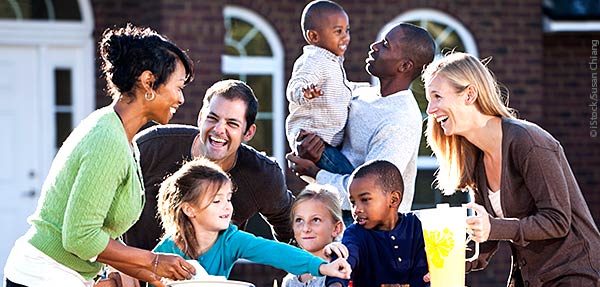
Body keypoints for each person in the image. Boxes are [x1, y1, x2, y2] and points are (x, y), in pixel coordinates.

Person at [3, 24, 196, 287]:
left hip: (59, 274)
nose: (181, 98)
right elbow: (80, 237)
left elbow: (97, 238)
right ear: (149, 82)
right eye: (178, 86)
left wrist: (156, 276)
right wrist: (152, 260)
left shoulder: (122, 138)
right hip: (42, 276)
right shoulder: (107, 139)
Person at [423, 52, 600, 286]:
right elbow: (485, 242)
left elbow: (557, 220)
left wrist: (493, 227)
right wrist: (447, 265)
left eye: (437, 97)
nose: (430, 109)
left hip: (574, 275)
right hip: (531, 279)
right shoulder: (477, 158)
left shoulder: (528, 142)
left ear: (469, 94)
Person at [287, 23, 436, 224]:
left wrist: (314, 173)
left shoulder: (401, 119)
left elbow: (373, 192)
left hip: (371, 234)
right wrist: (306, 149)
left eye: (385, 45)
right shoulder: (359, 94)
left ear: (405, 66)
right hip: (334, 215)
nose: (374, 46)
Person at [123, 79, 295, 252]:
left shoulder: (262, 174)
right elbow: (103, 203)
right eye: (212, 118)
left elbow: (294, 229)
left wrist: (306, 272)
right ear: (200, 119)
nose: (219, 130)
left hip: (207, 278)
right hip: (133, 271)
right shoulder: (153, 146)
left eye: (232, 123)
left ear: (248, 132)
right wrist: (119, 266)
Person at [152, 158, 351, 286]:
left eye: (228, 198)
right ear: (189, 209)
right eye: (217, 200)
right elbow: (144, 273)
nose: (227, 206)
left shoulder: (230, 239)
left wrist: (321, 267)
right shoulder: (168, 248)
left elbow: (275, 252)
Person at [325, 160, 430, 287]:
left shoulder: (416, 226)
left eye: (365, 200)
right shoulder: (356, 234)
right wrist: (336, 283)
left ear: (393, 199)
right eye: (353, 202)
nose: (356, 209)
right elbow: (346, 259)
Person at [286, 0, 361, 175]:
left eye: (347, 30)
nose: (345, 37)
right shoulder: (314, 61)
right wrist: (304, 92)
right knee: (350, 178)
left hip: (329, 140)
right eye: (338, 31)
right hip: (314, 142)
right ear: (314, 37)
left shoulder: (332, 61)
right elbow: (294, 86)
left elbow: (340, 90)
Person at [282, 185, 346, 287]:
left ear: (336, 228)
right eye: (299, 220)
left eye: (316, 220)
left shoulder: (343, 272)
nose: (306, 228)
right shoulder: (290, 280)